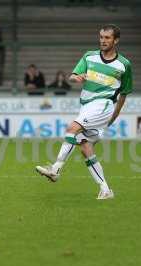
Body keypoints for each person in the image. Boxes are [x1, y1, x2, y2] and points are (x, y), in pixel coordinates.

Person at [36, 24, 133, 200]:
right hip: (87, 105)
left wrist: (113, 117)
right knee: (85, 148)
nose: (103, 41)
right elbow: (73, 75)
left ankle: (56, 169)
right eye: (101, 37)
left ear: (116, 40)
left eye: (107, 38)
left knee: (72, 129)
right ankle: (105, 190)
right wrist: (77, 77)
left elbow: (124, 95)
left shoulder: (124, 65)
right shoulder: (89, 56)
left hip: (103, 105)